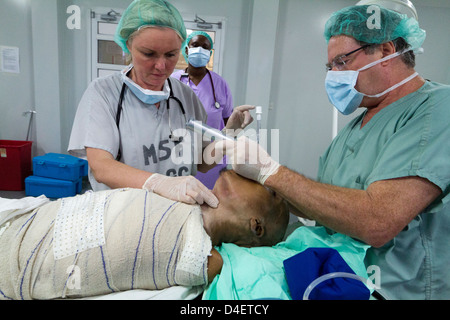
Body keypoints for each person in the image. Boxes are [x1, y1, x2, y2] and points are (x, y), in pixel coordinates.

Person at [216, 5, 450, 300]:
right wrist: (258, 176)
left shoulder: (437, 109)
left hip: (397, 291)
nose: (334, 76)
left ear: (386, 50)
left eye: (342, 62)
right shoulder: (356, 127)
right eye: (331, 67)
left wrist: (271, 172)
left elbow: (377, 222)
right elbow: (324, 205)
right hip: (339, 280)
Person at [68, 0, 253, 208]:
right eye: (149, 54)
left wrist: (228, 136)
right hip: (122, 216)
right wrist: (158, 183)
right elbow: (101, 167)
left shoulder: (185, 97)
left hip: (177, 215)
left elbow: (201, 162)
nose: (161, 66)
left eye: (171, 54)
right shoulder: (104, 93)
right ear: (128, 45)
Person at [0, 170, 288, 300]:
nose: (258, 179)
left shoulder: (203, 255)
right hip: (29, 221)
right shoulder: (180, 195)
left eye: (270, 191)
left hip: (23, 263)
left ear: (256, 226)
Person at [171, 31, 234, 190]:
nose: (199, 50)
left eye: (205, 47)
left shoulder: (220, 84)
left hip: (212, 158)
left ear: (210, 53)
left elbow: (228, 122)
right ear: (186, 50)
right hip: (177, 155)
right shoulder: (172, 82)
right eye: (195, 45)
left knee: (210, 202)